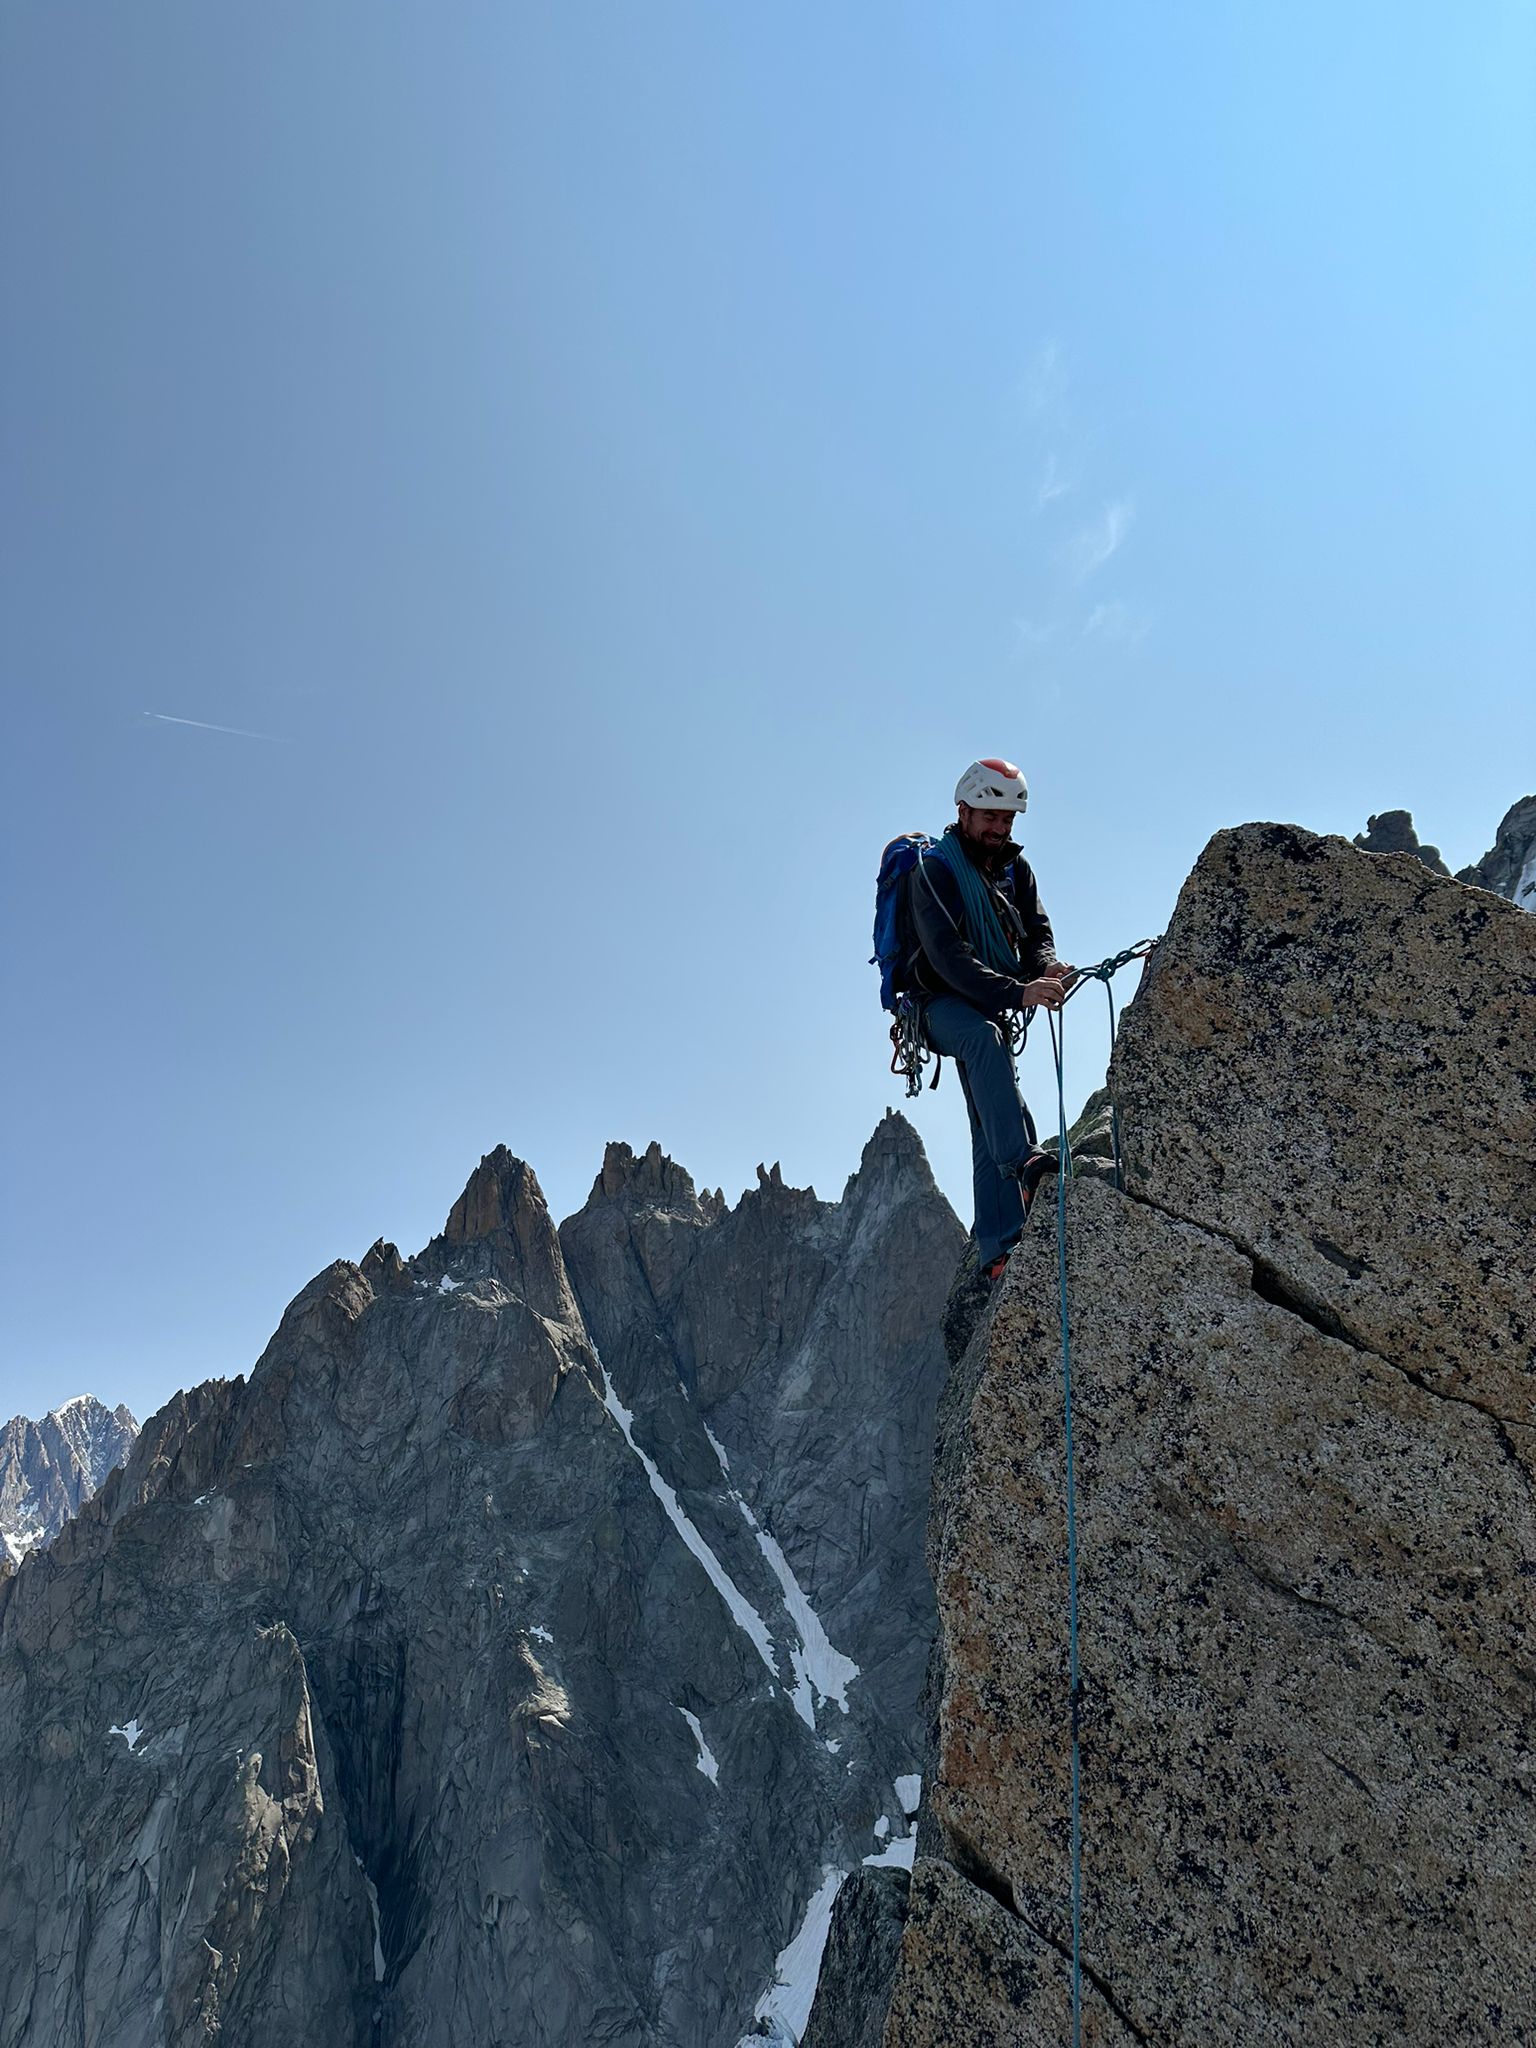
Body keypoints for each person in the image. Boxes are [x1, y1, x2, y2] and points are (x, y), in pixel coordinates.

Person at [908, 759, 1073, 1283]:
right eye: (991, 817)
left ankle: (998, 1247)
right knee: (982, 1042)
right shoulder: (935, 871)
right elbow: (948, 960)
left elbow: (1036, 929)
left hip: (992, 998)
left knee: (987, 1108)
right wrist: (1021, 990)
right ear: (964, 811)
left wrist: (1045, 964)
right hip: (937, 1004)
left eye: (1008, 819)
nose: (1000, 829)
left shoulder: (1013, 869)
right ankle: (1023, 1163)